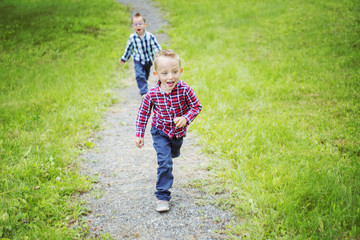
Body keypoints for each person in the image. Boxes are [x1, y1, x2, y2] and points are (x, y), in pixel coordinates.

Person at [135, 49, 202, 212]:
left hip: (177, 134)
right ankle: (162, 196)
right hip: (160, 132)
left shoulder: (185, 89)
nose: (170, 77)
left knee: (173, 153)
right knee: (165, 162)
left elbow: (196, 106)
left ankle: (172, 152)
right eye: (165, 73)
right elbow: (143, 113)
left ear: (180, 71)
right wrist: (139, 134)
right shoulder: (152, 94)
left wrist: (186, 118)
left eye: (174, 72)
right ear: (156, 74)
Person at [119, 12, 162, 96]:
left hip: (148, 60)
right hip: (138, 60)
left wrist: (160, 55)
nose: (138, 26)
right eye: (135, 24)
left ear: (144, 25)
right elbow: (129, 49)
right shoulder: (132, 38)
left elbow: (156, 47)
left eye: (140, 24)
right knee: (139, 75)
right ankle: (144, 92)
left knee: (145, 76)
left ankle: (143, 84)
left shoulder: (150, 36)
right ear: (133, 27)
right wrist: (124, 58)